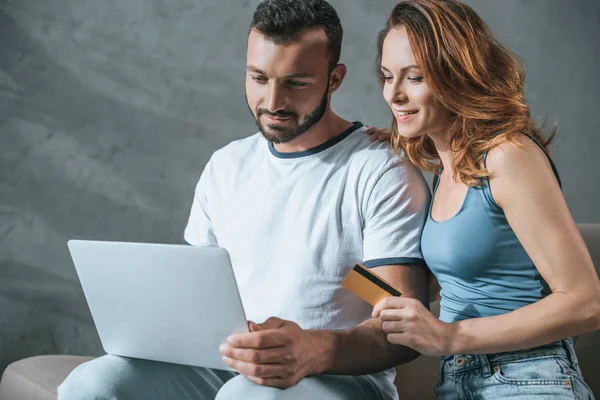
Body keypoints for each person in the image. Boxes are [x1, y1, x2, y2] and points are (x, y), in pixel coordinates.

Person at [58, 0, 431, 399]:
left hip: (337, 378)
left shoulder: (379, 171)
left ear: (334, 79)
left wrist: (315, 349)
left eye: (296, 82)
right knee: (92, 385)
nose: (273, 102)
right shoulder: (226, 166)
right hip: (223, 366)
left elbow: (402, 331)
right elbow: (191, 295)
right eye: (258, 78)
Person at [368, 0, 600, 399]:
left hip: (530, 377)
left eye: (415, 77)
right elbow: (461, 282)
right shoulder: (445, 171)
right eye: (387, 76)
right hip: (460, 382)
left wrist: (451, 336)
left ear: (457, 74)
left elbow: (586, 302)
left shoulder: (508, 155)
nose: (394, 94)